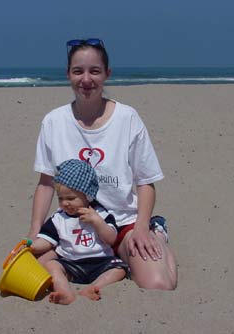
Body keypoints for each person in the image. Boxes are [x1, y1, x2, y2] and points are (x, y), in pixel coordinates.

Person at [28, 38, 177, 290]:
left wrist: (140, 228)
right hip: (73, 226)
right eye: (78, 71)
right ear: (68, 74)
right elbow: (45, 184)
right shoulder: (53, 122)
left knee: (158, 283)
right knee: (37, 266)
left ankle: (156, 231)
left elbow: (145, 182)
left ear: (107, 74)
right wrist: (34, 231)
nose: (86, 79)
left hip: (121, 224)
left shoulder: (127, 118)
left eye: (94, 71)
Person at [31, 159, 128, 304]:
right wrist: (31, 246)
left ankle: (94, 287)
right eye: (61, 198)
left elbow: (111, 239)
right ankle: (64, 292)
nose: (65, 203)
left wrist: (97, 222)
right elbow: (46, 241)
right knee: (51, 265)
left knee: (120, 268)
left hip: (100, 262)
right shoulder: (58, 218)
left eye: (71, 198)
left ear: (87, 195)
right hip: (71, 263)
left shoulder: (100, 213)